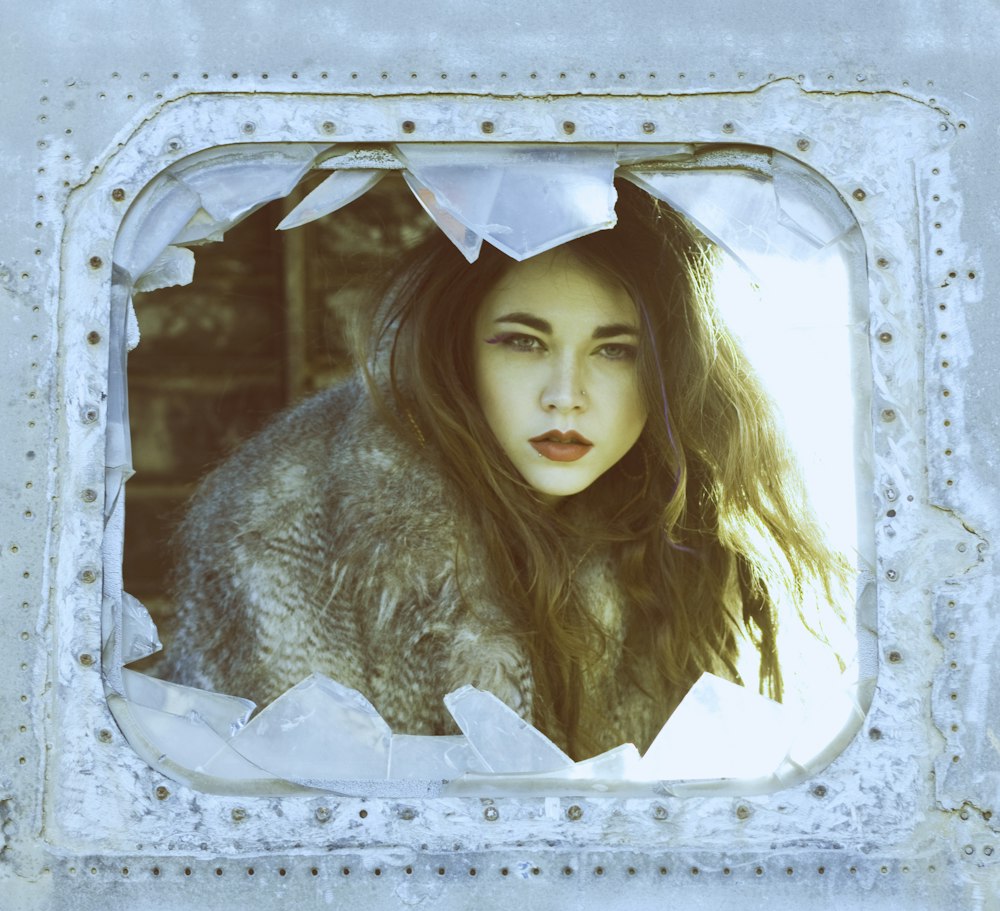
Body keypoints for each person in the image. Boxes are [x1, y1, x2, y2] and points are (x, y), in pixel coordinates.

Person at [164, 179, 848, 761]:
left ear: (670, 373)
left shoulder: (684, 538)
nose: (565, 394)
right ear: (458, 352)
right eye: (523, 342)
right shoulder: (295, 532)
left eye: (615, 351)